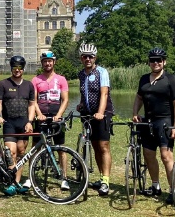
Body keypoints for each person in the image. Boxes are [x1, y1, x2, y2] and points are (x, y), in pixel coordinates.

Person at [131, 47, 175, 204]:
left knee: (166, 157)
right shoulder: (144, 79)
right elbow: (139, 98)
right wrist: (135, 113)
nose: (155, 63)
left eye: (158, 60)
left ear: (164, 62)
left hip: (165, 121)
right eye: (152, 60)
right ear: (149, 62)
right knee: (148, 154)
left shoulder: (171, 79)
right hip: (148, 121)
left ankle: (173, 190)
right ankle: (155, 186)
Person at [0, 55, 37, 196]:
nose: (17, 70)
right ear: (11, 68)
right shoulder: (3, 84)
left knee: (21, 153)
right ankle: (11, 182)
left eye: (19, 68)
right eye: (14, 67)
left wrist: (30, 121)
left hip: (24, 123)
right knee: (11, 152)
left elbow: (32, 105)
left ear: (23, 69)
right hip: (9, 123)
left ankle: (17, 182)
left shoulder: (29, 85)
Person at [77, 43, 114, 197]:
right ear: (81, 58)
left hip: (102, 113)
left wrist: (100, 112)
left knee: (103, 146)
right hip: (87, 114)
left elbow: (104, 94)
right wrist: (81, 104)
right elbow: (84, 92)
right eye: (85, 56)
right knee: (94, 146)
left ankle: (106, 180)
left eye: (90, 56)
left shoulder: (102, 72)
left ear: (95, 58)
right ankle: (101, 176)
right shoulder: (81, 74)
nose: (88, 59)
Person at [31, 50, 69, 189]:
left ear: (54, 62)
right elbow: (33, 100)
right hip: (41, 117)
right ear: (42, 63)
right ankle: (31, 176)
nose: (47, 63)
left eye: (50, 61)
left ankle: (64, 177)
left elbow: (65, 100)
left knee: (60, 148)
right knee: (35, 147)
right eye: (45, 61)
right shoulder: (36, 80)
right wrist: (39, 114)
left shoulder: (61, 79)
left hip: (56, 117)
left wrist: (59, 114)